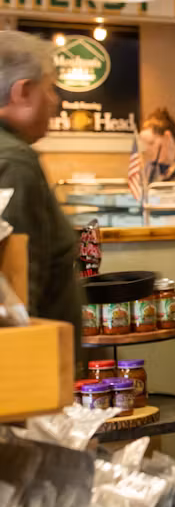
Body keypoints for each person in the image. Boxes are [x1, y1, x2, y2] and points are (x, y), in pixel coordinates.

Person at [0, 30, 82, 344]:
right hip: (28, 371)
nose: (55, 100)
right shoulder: (15, 163)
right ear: (22, 92)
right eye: (50, 88)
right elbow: (18, 288)